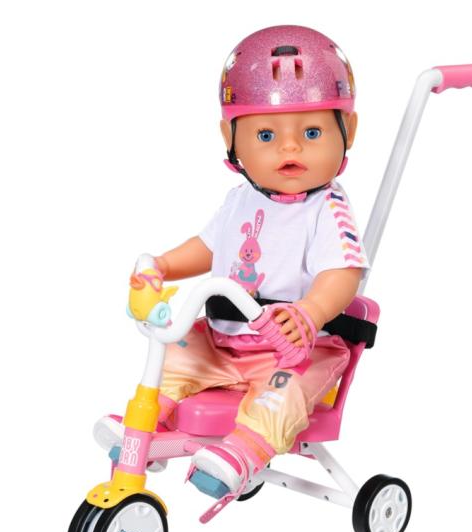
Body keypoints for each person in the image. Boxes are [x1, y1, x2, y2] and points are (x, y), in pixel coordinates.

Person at [107, 25, 368, 503]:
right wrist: (162, 265)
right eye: (266, 134)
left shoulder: (327, 210)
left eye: (311, 133)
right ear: (230, 140)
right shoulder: (239, 200)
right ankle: (145, 423)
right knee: (175, 353)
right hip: (222, 340)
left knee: (282, 394)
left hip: (295, 351)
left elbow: (343, 272)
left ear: (347, 132)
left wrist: (310, 312)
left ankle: (244, 450)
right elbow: (207, 247)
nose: (290, 148)